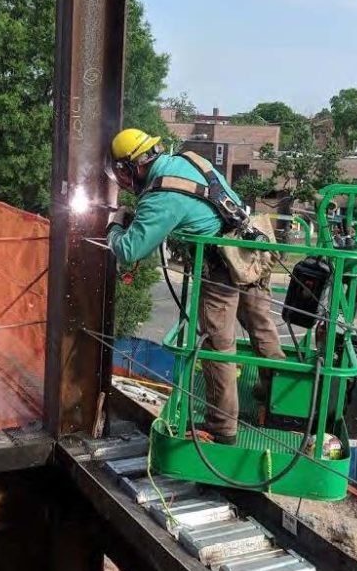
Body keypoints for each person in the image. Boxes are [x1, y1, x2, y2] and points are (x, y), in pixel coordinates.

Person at [106, 128, 284, 445]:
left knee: (217, 347)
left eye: (123, 172)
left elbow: (130, 250)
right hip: (252, 249)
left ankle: (222, 428)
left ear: (132, 166)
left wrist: (116, 225)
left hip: (222, 267)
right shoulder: (189, 158)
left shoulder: (160, 196)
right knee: (261, 326)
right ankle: (279, 400)